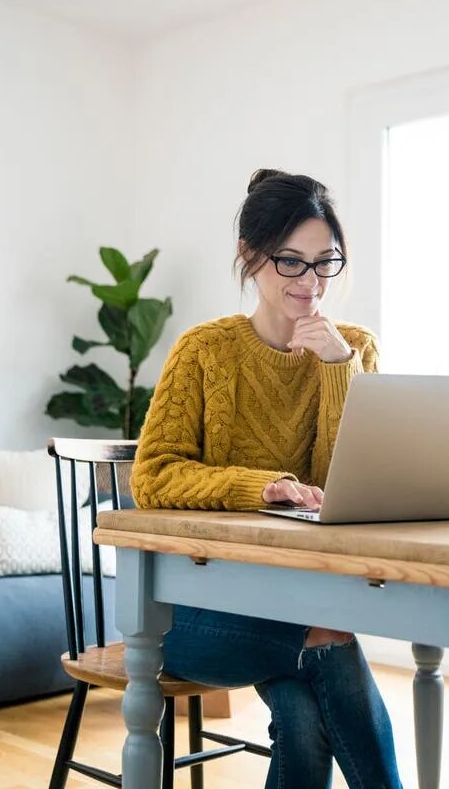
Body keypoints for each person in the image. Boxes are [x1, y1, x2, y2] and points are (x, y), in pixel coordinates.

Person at [130, 169, 402, 789]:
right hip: (197, 610)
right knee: (332, 638)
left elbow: (355, 484)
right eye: (290, 262)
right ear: (250, 258)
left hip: (301, 595)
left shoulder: (353, 349)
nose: (311, 283)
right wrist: (261, 486)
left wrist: (337, 369)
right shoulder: (205, 351)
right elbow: (154, 475)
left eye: (324, 263)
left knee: (305, 722)